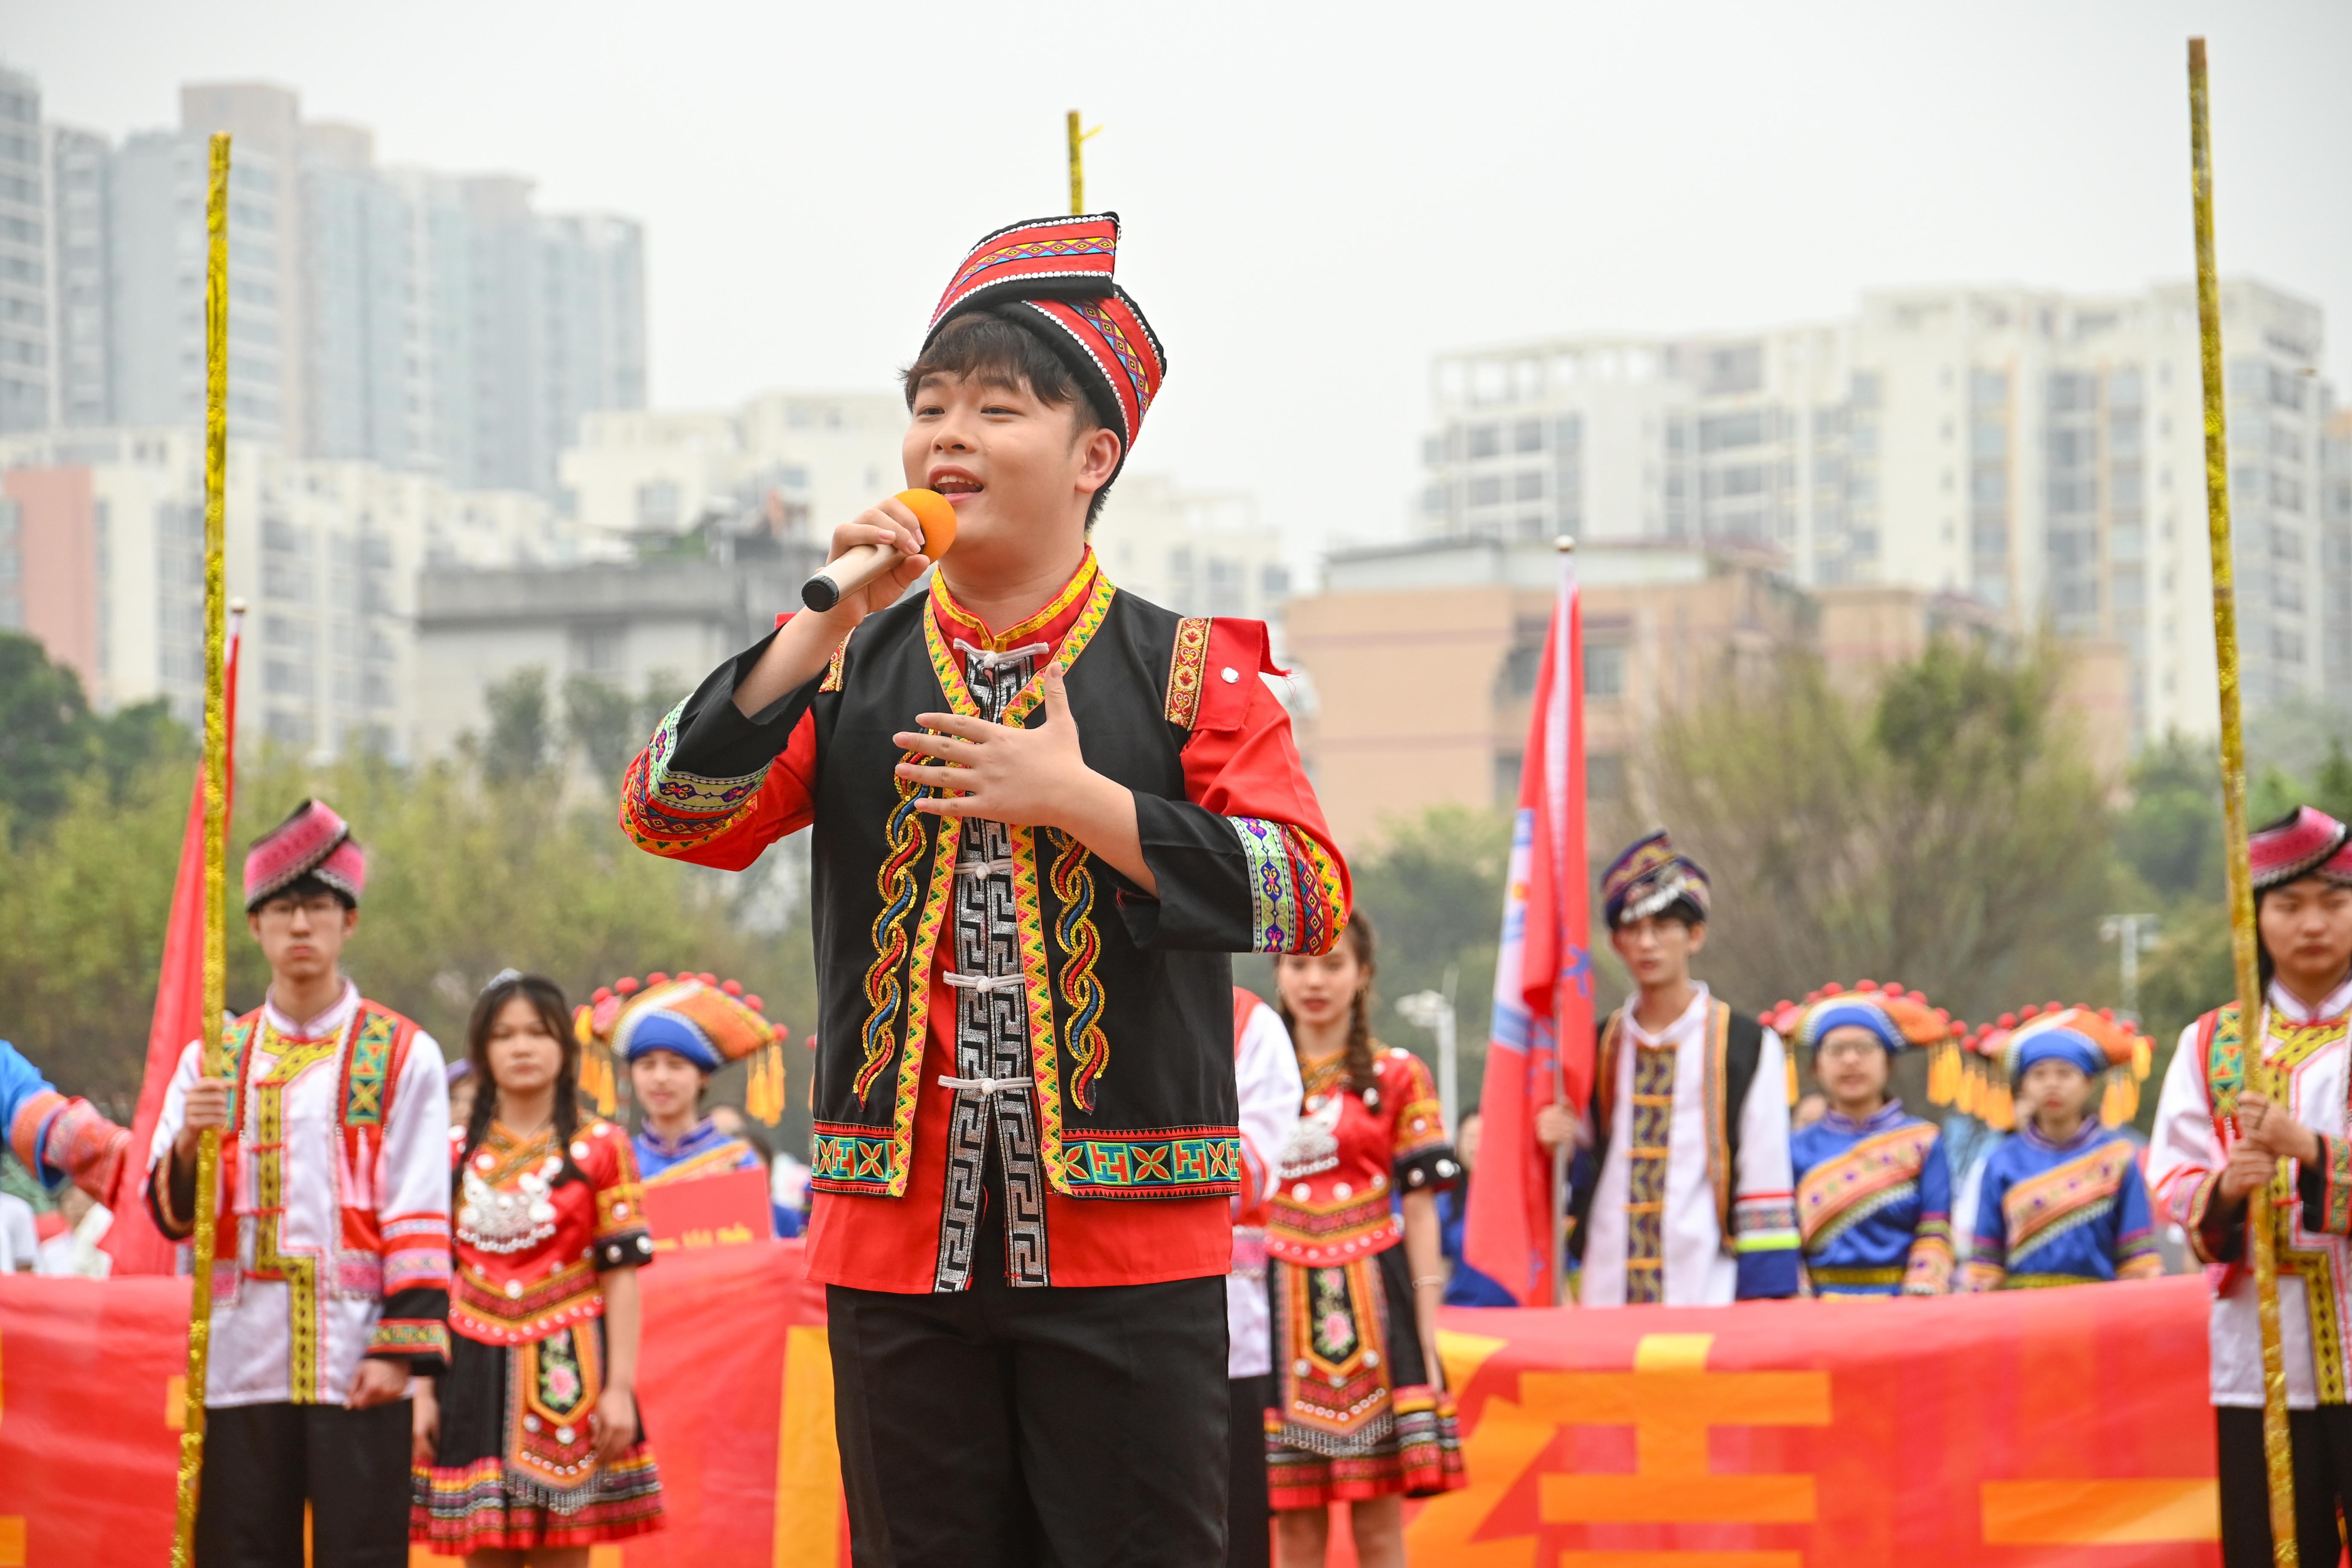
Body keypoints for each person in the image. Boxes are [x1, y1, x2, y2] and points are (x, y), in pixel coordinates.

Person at [616, 211, 1348, 1565]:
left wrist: (1084, 803)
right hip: (893, 1247)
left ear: (1092, 457)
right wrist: (817, 624)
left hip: (1129, 1249)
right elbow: (667, 810)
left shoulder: (1190, 669)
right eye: (929, 406)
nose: (948, 436)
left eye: (996, 409)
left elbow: (1305, 894)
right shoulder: (846, 666)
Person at [147, 798, 451, 1568]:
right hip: (237, 1358)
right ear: (255, 926)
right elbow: (171, 1216)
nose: (301, 925)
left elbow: (421, 1205)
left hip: (358, 1354)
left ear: (349, 921)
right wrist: (189, 1139)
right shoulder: (211, 1058)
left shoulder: (402, 1052)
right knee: (239, 1551)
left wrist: (400, 1348)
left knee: (363, 1550)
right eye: (282, 909)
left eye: (319, 906)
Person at [2148, 806, 2352, 1567]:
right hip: (2262, 1349)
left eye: (2334, 902)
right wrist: (2226, 1190)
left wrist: (2309, 1150)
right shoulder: (2212, 1042)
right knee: (2271, 1548)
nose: (2313, 924)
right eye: (2289, 905)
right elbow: (2171, 1172)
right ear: (2254, 919)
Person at [412, 972, 664, 1560]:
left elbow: (621, 1279)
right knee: (481, 1552)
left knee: (566, 1551)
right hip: (469, 1367)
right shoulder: (451, 1153)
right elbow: (431, 1276)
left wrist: (620, 1389)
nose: (521, 1047)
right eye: (504, 1035)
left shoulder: (604, 1147)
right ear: (482, 1051)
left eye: (538, 1033)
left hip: (571, 1363)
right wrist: (422, 1392)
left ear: (564, 1048)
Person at [1266, 915, 1466, 1568]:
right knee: (1295, 1533)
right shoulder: (1249, 1080)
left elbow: (1424, 1213)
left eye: (1332, 965)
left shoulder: (1400, 1075)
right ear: (1278, 974)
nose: (1315, 981)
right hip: (1274, 1309)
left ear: (1363, 975)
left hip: (1379, 1310)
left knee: (1380, 1530)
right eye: (1299, 965)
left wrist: (1428, 1328)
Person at [1546, 830, 1798, 1306]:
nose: (1647, 943)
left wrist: (1767, 1298)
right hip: (1607, 1285)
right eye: (1633, 929)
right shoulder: (1594, 1045)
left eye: (1663, 926)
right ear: (1615, 942)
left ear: (1695, 936)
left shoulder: (1745, 1045)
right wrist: (1549, 1136)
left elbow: (1765, 1173)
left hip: (1708, 1283)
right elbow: (1570, 1168)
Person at [1772, 983, 1957, 1297]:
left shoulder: (1924, 1142)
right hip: (1817, 1309)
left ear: (1889, 1063)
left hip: (1904, 1307)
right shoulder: (1794, 1148)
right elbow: (1785, 1237)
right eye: (1836, 1050)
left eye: (1865, 1048)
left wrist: (1917, 1300)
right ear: (1816, 1068)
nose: (1850, 1060)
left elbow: (1935, 1229)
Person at [1962, 1004, 2160, 1292]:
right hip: (2022, 1308)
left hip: (2099, 1306)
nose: (2052, 1085)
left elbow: (2138, 1261)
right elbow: (1986, 1265)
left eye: (2065, 1074)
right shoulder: (2001, 1162)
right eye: (2039, 1075)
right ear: (2023, 1086)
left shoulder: (2119, 1158)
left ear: (2089, 1083)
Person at [1228, 985, 1303, 1568]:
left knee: (1234, 1511)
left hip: (1227, 1314)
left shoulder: (1248, 1021)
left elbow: (1251, 1168)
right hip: (1088, 1296)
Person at [586, 973, 780, 1187]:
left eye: (676, 1065)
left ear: (703, 1077)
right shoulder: (617, 1163)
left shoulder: (738, 1161)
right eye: (647, 1065)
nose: (660, 1078)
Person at [1437, 1112, 1517, 1307]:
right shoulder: (1446, 1201)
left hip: (1516, 1314)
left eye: (1483, 1135)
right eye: (1469, 1137)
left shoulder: (1517, 1198)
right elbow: (1440, 1266)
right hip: (1463, 1312)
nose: (1476, 1144)